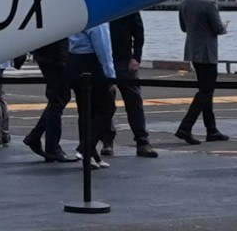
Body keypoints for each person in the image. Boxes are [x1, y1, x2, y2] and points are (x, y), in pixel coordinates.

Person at [172, 0, 227, 143]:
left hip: (193, 49)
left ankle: (211, 129)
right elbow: (218, 28)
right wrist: (224, 26)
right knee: (206, 91)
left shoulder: (185, 1)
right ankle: (185, 126)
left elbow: (183, 28)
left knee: (205, 89)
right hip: (207, 51)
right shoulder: (209, 4)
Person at [64, 20, 116, 164]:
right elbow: (103, 48)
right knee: (107, 108)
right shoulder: (99, 20)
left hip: (74, 60)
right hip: (90, 63)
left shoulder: (78, 18)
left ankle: (91, 156)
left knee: (85, 111)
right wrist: (110, 75)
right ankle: (86, 147)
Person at [106, 10, 158, 158]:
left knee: (134, 101)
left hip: (124, 59)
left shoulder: (128, 7)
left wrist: (136, 56)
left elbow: (138, 32)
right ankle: (107, 139)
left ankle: (142, 141)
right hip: (106, 58)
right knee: (106, 102)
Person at [24, 37, 74, 163]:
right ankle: (51, 147)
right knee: (58, 99)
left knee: (58, 98)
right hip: (55, 55)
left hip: (49, 53)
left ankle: (37, 137)